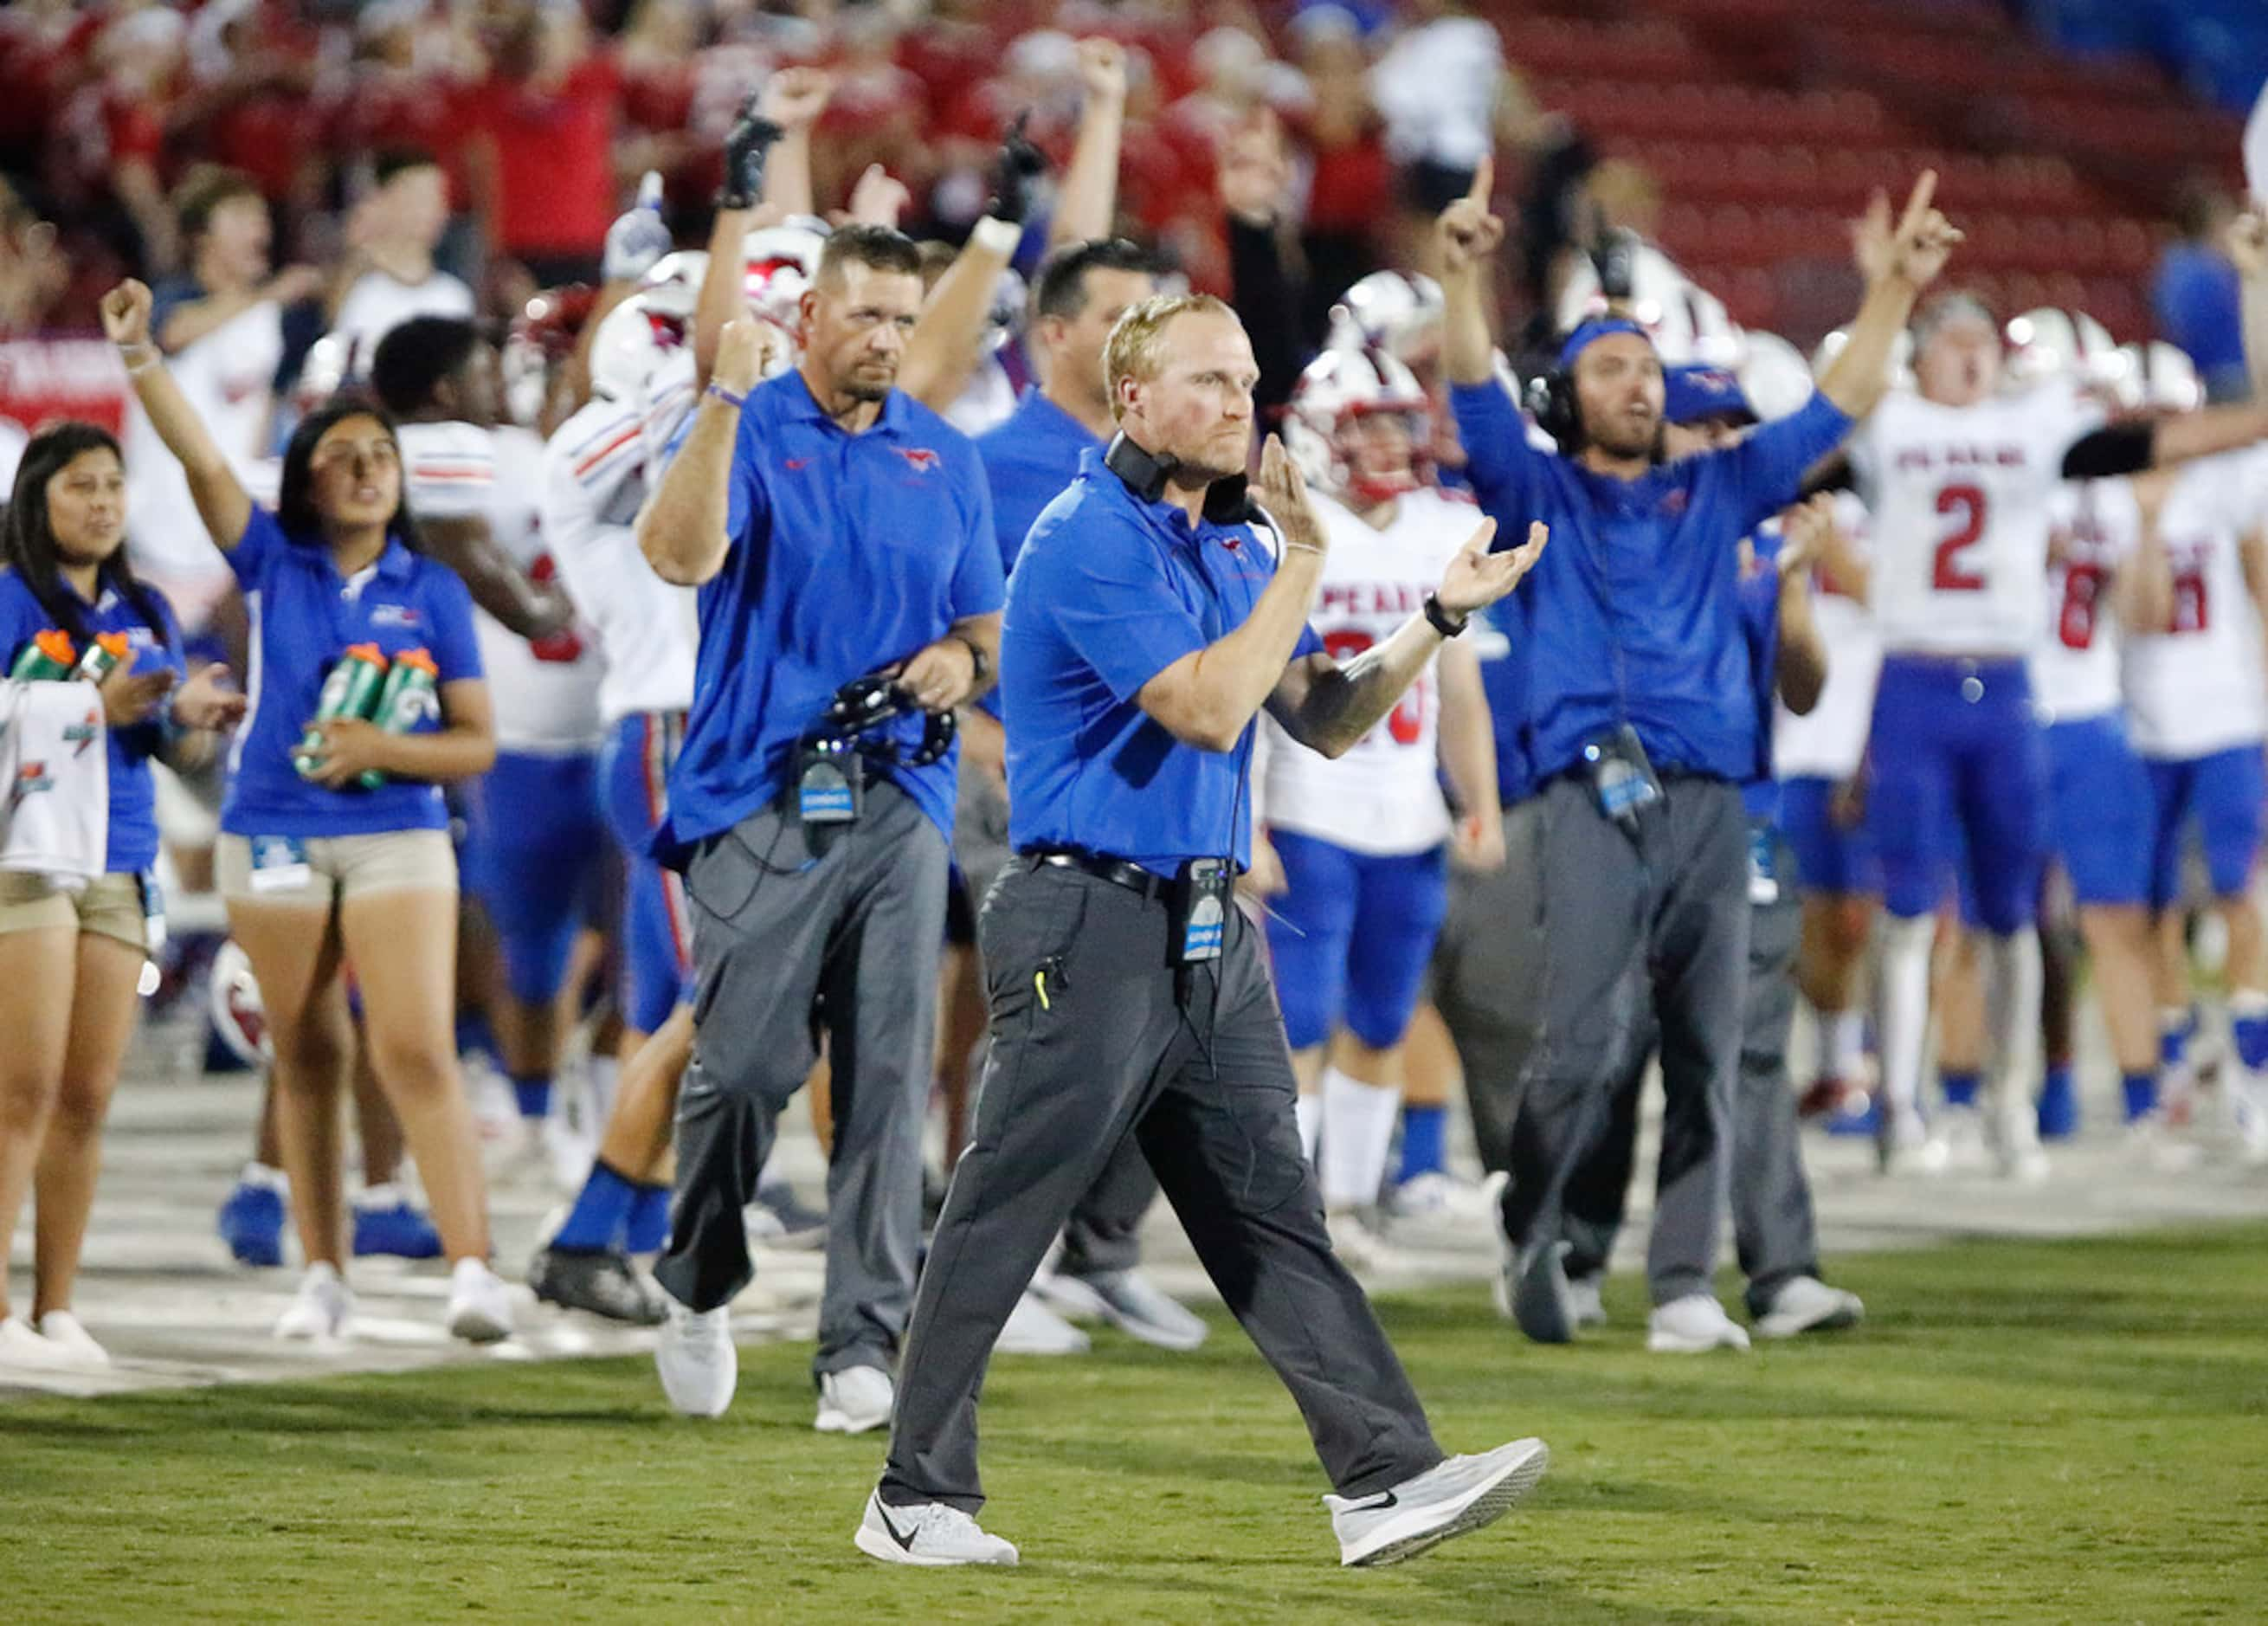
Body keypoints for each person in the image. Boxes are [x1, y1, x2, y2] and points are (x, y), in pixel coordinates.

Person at [860, 290, 1550, 1570]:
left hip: (1204, 921)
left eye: (1245, 382)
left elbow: (1325, 717)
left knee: (1272, 1215)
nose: (1240, 404)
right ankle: (913, 1495)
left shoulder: (1231, 541)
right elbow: (1207, 712)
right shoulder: (1089, 534)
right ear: (1133, 399)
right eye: (1207, 383)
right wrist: (1303, 562)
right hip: (1086, 915)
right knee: (1005, 1208)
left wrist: (1435, 620)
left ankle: (1383, 1478)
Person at [1438, 165, 1950, 1349]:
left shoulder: (1723, 485)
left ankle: (1680, 1285)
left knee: (1711, 1051)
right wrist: (1460, 277)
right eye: (1610, 366)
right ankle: (1540, 1223)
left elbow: (1842, 406)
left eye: (1647, 368)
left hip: (1714, 793)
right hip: (1589, 792)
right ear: (1566, 395)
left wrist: (1893, 296)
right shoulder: (1537, 488)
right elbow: (1468, 387)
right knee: (1578, 1045)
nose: (1637, 381)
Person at [634, 224, 1005, 1431]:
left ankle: (861, 1338)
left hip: (902, 791)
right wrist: (726, 396)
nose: (890, 339)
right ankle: (697, 1282)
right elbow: (677, 554)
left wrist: (959, 656)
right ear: (808, 322)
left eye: (905, 319)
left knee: (890, 1074)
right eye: (868, 316)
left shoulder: (945, 455)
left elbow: (986, 627)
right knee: (740, 1068)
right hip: (756, 787)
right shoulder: (751, 424)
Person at [102, 277, 514, 1346]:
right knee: (306, 1050)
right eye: (345, 457)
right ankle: (324, 1275)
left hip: (398, 832)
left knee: (416, 1046)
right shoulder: (271, 561)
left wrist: (383, 750)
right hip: (274, 826)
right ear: (305, 479)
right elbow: (199, 461)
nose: (370, 471)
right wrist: (144, 358)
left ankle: (474, 1270)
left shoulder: (433, 589)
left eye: (382, 455)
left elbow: (478, 740)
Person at [1846, 275, 2268, 1176]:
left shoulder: (2044, 436)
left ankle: (2013, 1105)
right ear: (1917, 359)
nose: (1969, 355)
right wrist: (1887, 287)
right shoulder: (1889, 424)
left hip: (2014, 690)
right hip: (1916, 678)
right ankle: (1910, 1104)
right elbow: (1821, 416)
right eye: (1949, 341)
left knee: (2021, 918)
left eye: (1981, 341)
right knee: (1921, 913)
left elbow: (2195, 440)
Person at [1550, 372, 1865, 1349]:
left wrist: (1797, 585)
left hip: (1741, 817)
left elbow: (1804, 690)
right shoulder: (1609, 531)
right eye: (1705, 425)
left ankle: (1774, 1273)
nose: (1724, 442)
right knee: (1617, 1043)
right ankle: (1575, 1247)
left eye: (1737, 428)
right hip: (1622, 808)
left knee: (1744, 1048)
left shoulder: (1760, 546)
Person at [963, 235, 1210, 1356]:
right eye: (1119, 314)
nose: (1141, 334)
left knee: (1165, 1030)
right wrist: (978, 738)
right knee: (1043, 1032)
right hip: (1033, 788)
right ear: (1053, 334)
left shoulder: (1176, 475)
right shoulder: (991, 461)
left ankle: (1102, 1251)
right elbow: (950, 624)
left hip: (1160, 793)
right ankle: (992, 1271)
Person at [1253, 342, 1502, 1266]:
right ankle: (1289, 1217)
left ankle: (1349, 1206)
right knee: (1303, 1019)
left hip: (1407, 811)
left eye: (1401, 423)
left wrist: (1479, 802)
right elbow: (1255, 687)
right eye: (1371, 425)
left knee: (1383, 1016)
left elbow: (1460, 686)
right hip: (1311, 802)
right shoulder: (1289, 527)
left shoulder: (1443, 525)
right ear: (1320, 435)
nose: (1393, 443)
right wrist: (1249, 820)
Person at [0, 422, 241, 1370]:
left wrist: (193, 721)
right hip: (24, 857)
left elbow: (173, 754)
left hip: (121, 856)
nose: (100, 503)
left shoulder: (144, 609)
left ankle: (56, 1308)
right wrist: (95, 706)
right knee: (18, 1091)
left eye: (112, 486)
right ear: (37, 499)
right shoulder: (11, 596)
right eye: (79, 487)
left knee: (87, 1097)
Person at [370, 314, 607, 1185]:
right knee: (521, 941)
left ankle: (581, 1107)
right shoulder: (438, 448)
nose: (509, 383)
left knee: (622, 937)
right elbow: (485, 574)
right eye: (491, 369)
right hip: (507, 731)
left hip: (594, 723)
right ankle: (528, 1103)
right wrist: (572, 610)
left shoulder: (537, 447)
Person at [122, 166, 323, 634]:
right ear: (200, 236)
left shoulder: (269, 316)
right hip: (163, 521)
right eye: (239, 217)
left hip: (229, 523)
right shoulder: (172, 296)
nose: (260, 229)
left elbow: (264, 406)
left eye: (260, 217)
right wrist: (270, 292)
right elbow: (171, 335)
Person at [324, 147, 478, 382]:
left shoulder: (454, 296)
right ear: (380, 200)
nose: (433, 209)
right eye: (419, 197)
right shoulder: (357, 285)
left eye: (439, 196)